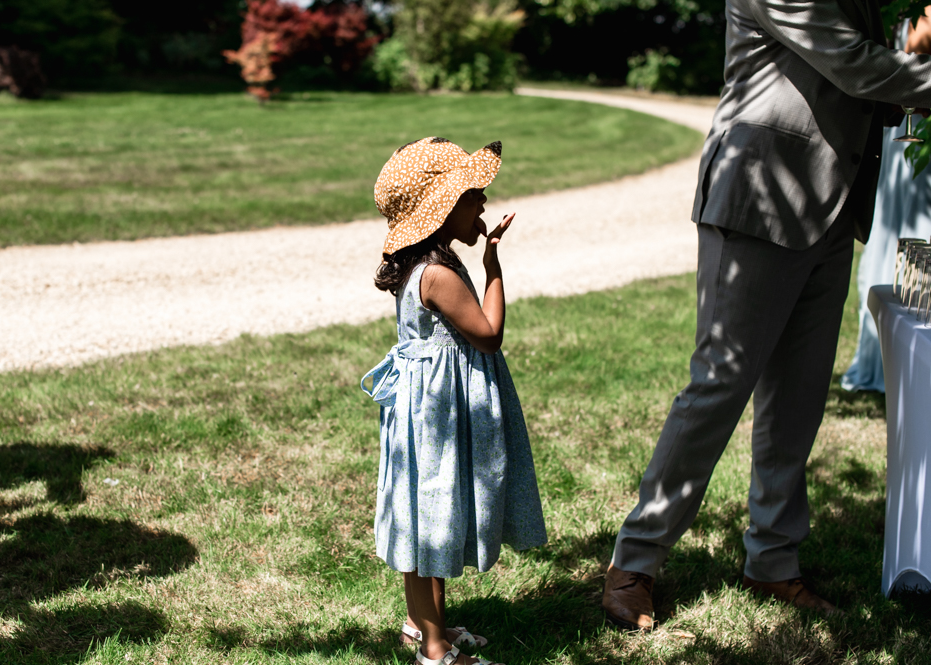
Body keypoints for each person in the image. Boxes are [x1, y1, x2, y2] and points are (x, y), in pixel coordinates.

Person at [601, 0, 931, 631]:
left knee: (800, 395)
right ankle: (634, 563)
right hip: (759, 197)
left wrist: (909, 62)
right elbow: (854, 66)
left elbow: (859, 87)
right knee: (719, 384)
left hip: (830, 207)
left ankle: (773, 562)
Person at [361, 137, 547, 665]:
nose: (484, 203)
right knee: (430, 524)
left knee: (430, 518)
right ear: (442, 209)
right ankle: (435, 652)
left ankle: (423, 626)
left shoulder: (426, 264)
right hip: (437, 415)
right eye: (474, 195)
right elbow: (488, 334)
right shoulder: (439, 274)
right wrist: (493, 267)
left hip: (430, 410)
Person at [842, 14, 931, 393]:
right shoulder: (915, 12)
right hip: (910, 126)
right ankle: (901, 361)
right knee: (908, 234)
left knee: (899, 236)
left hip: (906, 129)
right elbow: (916, 49)